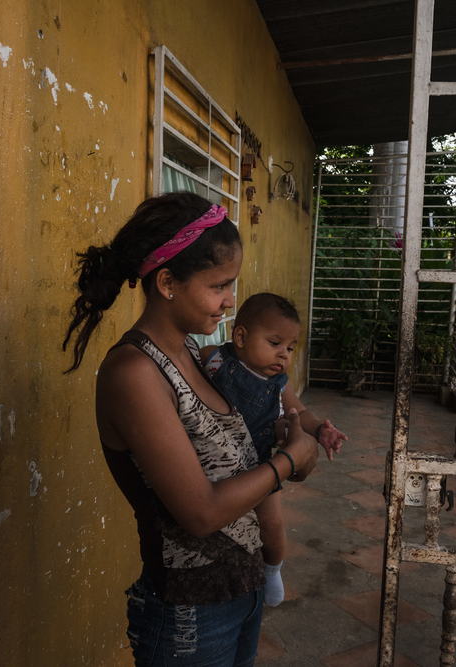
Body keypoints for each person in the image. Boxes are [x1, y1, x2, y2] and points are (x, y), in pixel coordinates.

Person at [62, 191, 319, 667]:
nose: (230, 301)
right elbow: (200, 513)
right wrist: (286, 463)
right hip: (190, 614)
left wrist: (289, 442)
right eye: (219, 285)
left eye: (231, 285)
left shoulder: (198, 356)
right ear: (167, 282)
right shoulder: (135, 373)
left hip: (242, 590)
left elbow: (235, 457)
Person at [200, 293, 348, 607]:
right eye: (275, 343)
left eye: (290, 348)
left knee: (272, 523)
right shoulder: (213, 359)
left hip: (260, 463)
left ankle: (272, 569)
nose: (284, 354)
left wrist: (320, 430)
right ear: (241, 337)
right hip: (213, 459)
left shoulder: (279, 382)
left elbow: (299, 412)